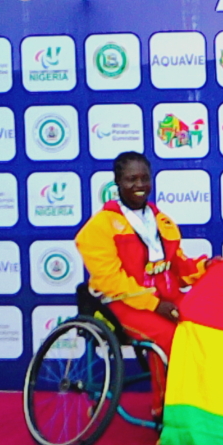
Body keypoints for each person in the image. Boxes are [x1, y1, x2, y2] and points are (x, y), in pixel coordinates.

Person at [75, 151, 213, 420]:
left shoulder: (161, 221)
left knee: (207, 327)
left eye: (144, 178)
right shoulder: (101, 227)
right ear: (117, 183)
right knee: (170, 338)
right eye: (131, 179)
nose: (139, 185)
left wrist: (205, 268)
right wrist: (154, 304)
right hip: (123, 304)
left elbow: (180, 267)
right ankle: (165, 410)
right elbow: (110, 281)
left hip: (165, 297)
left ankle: (203, 403)